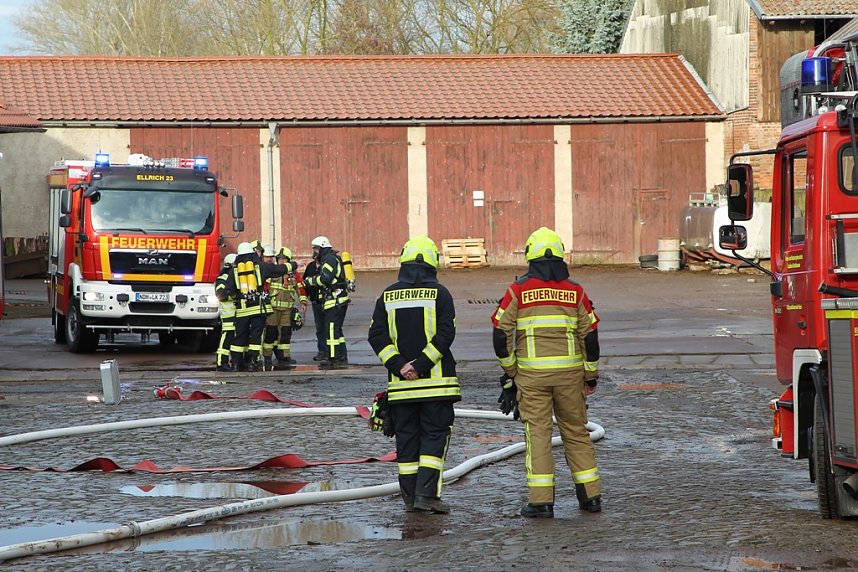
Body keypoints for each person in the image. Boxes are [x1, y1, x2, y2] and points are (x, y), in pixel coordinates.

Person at [491, 226, 602, 519]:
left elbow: (501, 334)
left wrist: (511, 371)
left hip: (531, 377)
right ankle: (591, 498)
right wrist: (590, 375)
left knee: (538, 434)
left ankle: (541, 502)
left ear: (530, 256)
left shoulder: (518, 290)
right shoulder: (575, 291)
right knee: (577, 433)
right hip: (570, 377)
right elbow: (590, 336)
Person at [368, 236, 460, 514]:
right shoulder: (441, 294)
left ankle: (410, 499)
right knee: (434, 438)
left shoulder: (387, 295)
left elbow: (376, 336)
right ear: (433, 262)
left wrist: (399, 366)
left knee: (407, 442)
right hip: (436, 386)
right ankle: (427, 496)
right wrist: (420, 364)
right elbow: (446, 335)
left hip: (401, 389)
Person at [223, 241, 295, 372]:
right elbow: (278, 270)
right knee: (256, 336)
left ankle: (236, 363)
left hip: (242, 310)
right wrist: (294, 265)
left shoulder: (234, 271)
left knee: (240, 336)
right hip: (258, 308)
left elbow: (227, 291)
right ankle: (252, 362)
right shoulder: (260, 267)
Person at [303, 236, 350, 369]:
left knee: (331, 331)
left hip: (335, 301)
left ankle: (333, 358)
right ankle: (342, 356)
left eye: (316, 248)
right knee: (336, 330)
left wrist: (310, 281)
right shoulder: (331, 258)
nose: (315, 251)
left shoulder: (329, 259)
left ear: (323, 248)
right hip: (338, 300)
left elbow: (325, 279)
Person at [262, 247, 307, 370]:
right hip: (273, 309)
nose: (282, 261)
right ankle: (267, 356)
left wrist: (303, 302)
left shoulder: (295, 275)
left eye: (284, 259)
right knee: (270, 333)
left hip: (288, 310)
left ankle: (284, 356)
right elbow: (265, 288)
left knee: (285, 334)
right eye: (280, 259)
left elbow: (301, 288)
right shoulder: (273, 272)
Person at [214, 253, 237, 372]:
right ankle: (221, 362)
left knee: (235, 341)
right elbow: (221, 295)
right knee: (226, 340)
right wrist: (234, 295)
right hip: (228, 316)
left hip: (237, 315)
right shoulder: (222, 279)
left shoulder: (235, 278)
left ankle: (234, 362)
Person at [303, 256, 327, 361]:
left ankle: (330, 351)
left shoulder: (327, 266)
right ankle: (322, 351)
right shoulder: (311, 267)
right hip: (315, 302)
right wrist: (307, 296)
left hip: (327, 302)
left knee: (328, 327)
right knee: (320, 328)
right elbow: (305, 281)